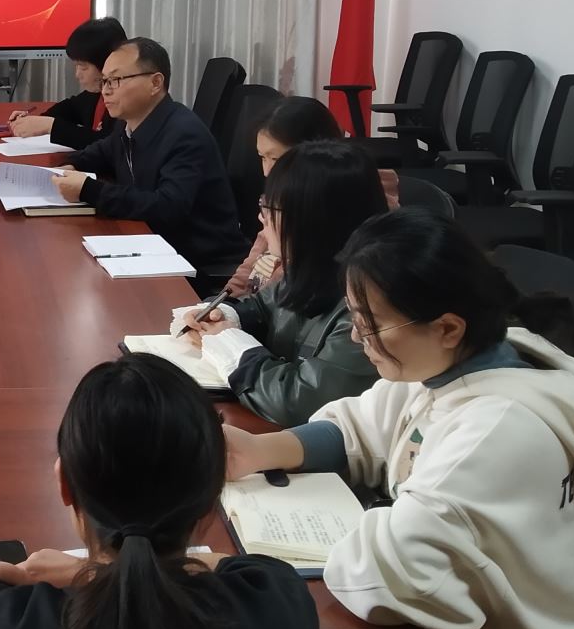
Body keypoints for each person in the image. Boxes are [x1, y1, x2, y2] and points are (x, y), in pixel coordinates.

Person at [221, 208, 574, 629]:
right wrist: (259, 449)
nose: (356, 338)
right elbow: (360, 428)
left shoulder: (495, 432)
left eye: (370, 324)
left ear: (447, 327)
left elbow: (384, 580)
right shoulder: (456, 364)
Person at [0, 353, 320, 629]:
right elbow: (247, 569)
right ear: (212, 496)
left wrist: (94, 574)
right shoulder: (275, 608)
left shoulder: (8, 627)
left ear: (65, 485)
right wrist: (110, 574)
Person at [181, 141, 388, 427]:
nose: (261, 217)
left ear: (310, 220)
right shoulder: (312, 269)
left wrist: (228, 345)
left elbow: (299, 402)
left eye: (269, 208)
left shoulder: (370, 304)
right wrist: (222, 316)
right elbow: (262, 308)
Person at [54, 38, 246, 268]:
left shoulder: (185, 134)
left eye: (115, 80)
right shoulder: (128, 124)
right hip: (154, 244)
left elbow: (167, 207)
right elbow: (100, 154)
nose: (105, 90)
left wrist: (89, 190)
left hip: (197, 262)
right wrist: (72, 165)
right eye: (104, 81)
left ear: (155, 83)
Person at [226, 97, 400, 297]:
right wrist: (226, 300)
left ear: (315, 152)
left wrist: (241, 309)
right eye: (262, 157)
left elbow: (302, 279)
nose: (267, 171)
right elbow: (253, 262)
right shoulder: (284, 193)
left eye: (276, 158)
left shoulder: (352, 196)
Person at [6, 17, 127, 150]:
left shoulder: (127, 101)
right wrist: (33, 121)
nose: (77, 74)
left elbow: (111, 146)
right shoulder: (95, 95)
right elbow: (70, 108)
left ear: (107, 63)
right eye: (76, 66)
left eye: (83, 67)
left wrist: (50, 126)